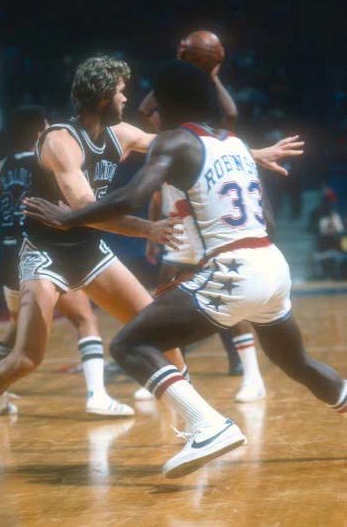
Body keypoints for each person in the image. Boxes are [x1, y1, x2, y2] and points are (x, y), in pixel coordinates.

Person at [0, 56, 305, 476]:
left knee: (161, 335)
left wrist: (251, 153)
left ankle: (200, 424)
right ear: (101, 96)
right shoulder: (60, 140)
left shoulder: (121, 133)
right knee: (26, 358)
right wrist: (148, 229)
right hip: (45, 253)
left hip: (89, 251)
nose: (127, 98)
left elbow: (190, 147)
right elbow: (86, 209)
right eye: (121, 91)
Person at [23, 60, 346, 480]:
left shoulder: (175, 141)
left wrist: (69, 218)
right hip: (272, 264)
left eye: (156, 99)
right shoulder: (233, 143)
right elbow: (268, 221)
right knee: (297, 362)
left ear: (170, 102)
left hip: (236, 271)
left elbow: (132, 197)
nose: (148, 106)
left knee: (129, 345)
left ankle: (208, 425)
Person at [0, 105, 133, 418]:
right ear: (42, 130)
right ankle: (97, 395)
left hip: (7, 255)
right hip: (35, 249)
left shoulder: (4, 164)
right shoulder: (46, 159)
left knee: (17, 326)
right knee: (84, 319)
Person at [140, 65, 265, 401]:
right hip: (178, 228)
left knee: (226, 295)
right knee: (164, 297)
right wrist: (178, 69)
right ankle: (175, 375)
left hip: (205, 226)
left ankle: (252, 375)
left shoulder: (203, 138)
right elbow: (144, 111)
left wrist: (208, 74)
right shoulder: (164, 138)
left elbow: (231, 113)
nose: (155, 113)